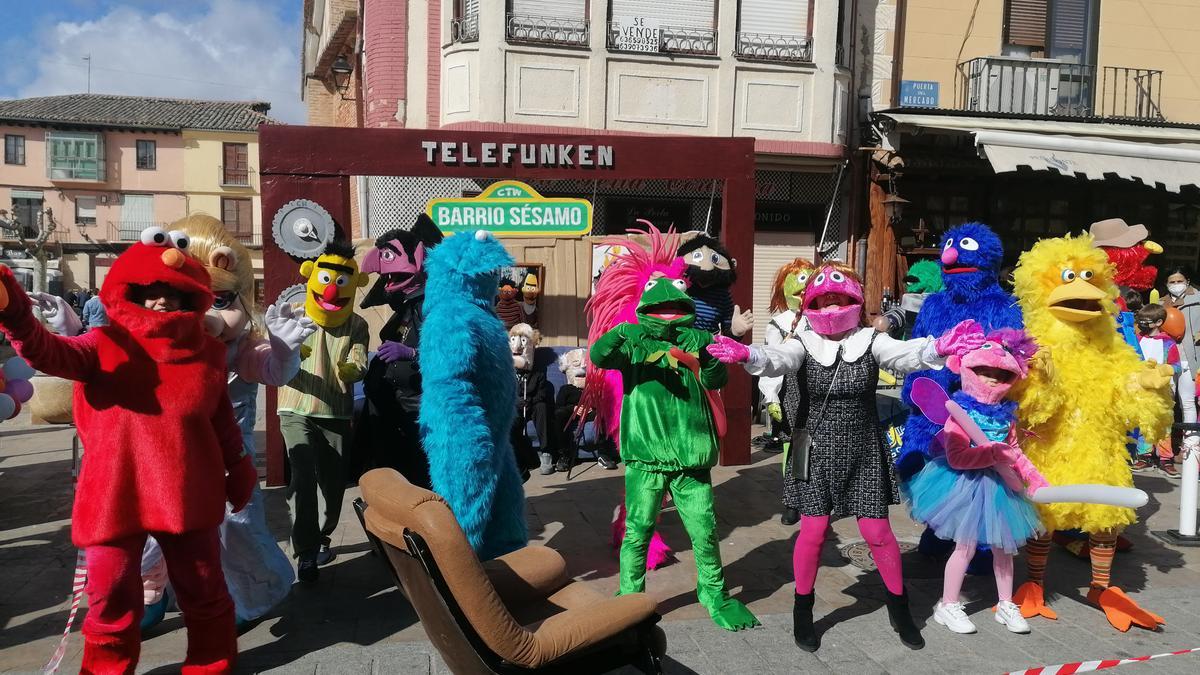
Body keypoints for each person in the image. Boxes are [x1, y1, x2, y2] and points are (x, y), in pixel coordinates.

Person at [0, 229, 256, 672]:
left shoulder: (208, 355)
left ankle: (211, 664)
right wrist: (16, 313)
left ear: (191, 300)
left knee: (203, 591)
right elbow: (47, 352)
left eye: (173, 295)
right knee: (110, 598)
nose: (161, 302)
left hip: (189, 495)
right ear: (128, 292)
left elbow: (221, 423)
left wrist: (239, 467)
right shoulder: (102, 347)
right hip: (115, 496)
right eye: (149, 292)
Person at [709, 262, 977, 651]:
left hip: (864, 449)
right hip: (815, 450)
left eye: (840, 298)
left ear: (854, 300)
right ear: (812, 303)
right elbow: (777, 359)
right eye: (825, 299)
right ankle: (804, 609)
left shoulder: (871, 339)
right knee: (814, 531)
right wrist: (745, 352)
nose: (833, 306)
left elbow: (904, 355)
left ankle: (899, 607)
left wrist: (939, 346)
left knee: (878, 533)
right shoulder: (801, 341)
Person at [139, 215, 312, 630]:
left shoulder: (239, 350)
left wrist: (285, 350)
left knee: (235, 530)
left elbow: (273, 371)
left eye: (220, 301)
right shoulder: (151, 345)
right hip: (161, 461)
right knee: (150, 529)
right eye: (193, 300)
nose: (208, 316)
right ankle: (149, 592)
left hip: (227, 466)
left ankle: (239, 598)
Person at [595, 225, 759, 633]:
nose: (666, 313)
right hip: (645, 457)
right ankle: (630, 595)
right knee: (638, 531)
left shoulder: (699, 337)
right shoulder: (632, 344)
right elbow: (599, 356)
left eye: (674, 307)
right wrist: (620, 331)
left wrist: (708, 358)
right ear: (645, 307)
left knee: (704, 532)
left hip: (691, 456)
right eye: (658, 307)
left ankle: (713, 593)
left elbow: (718, 380)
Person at [905, 324, 1044, 636]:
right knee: (965, 547)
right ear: (968, 370)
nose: (992, 379)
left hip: (1001, 488)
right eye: (983, 371)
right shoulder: (959, 415)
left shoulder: (1005, 415)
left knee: (1004, 549)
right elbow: (957, 458)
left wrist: (1035, 479)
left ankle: (1006, 603)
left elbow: (1015, 451)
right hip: (966, 487)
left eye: (1000, 374)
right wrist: (993, 456)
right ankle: (948, 604)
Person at [277, 240, 369, 584]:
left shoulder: (357, 324)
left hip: (334, 410)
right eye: (326, 278)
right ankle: (305, 553)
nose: (331, 289)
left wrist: (353, 369)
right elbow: (269, 345)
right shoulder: (295, 312)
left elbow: (359, 357)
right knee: (302, 477)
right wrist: (284, 350)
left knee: (332, 487)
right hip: (294, 406)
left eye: (342, 281)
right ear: (312, 275)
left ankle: (323, 536)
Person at [355, 216, 443, 489]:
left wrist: (411, 354)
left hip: (422, 411)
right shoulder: (407, 306)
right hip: (398, 411)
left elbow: (449, 357)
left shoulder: (433, 307)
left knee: (423, 481)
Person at [1131, 303, 1184, 478]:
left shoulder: (1168, 343)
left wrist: (1165, 370)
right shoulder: (1138, 339)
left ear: (1158, 322)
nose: (1142, 324)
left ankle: (1165, 459)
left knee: (1163, 424)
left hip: (1163, 391)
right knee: (1144, 422)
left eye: (1146, 321)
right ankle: (1145, 455)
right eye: (1141, 320)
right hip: (1142, 388)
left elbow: (1176, 366)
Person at [1164, 266, 1200, 379]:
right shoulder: (1160, 304)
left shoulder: (1198, 299)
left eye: (1180, 281)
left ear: (1187, 281)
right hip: (1168, 360)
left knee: (1187, 396)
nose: (1176, 284)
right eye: (1172, 282)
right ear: (1167, 284)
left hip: (1191, 357)